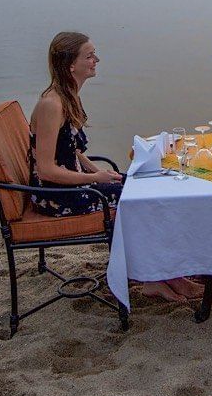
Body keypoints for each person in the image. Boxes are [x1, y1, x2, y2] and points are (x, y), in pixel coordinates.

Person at [29, 31, 202, 304]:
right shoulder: (52, 104)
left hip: (72, 183)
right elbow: (47, 169)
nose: (96, 60)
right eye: (89, 55)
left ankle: (166, 274)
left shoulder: (68, 95)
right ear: (70, 64)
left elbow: (69, 150)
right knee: (137, 199)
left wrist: (90, 169)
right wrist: (95, 176)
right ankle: (154, 279)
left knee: (143, 185)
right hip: (55, 195)